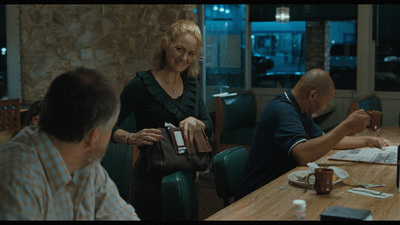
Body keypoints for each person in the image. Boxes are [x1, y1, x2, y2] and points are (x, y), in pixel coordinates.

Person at [0, 67, 140, 220]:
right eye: (110, 129)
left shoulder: (86, 165)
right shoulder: (17, 181)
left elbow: (123, 216)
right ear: (93, 136)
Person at [234, 68, 391, 201]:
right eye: (324, 102)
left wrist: (370, 141)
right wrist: (346, 125)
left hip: (280, 186)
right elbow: (303, 154)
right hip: (258, 194)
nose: (324, 107)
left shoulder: (299, 110)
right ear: (313, 95)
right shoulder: (283, 111)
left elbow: (327, 141)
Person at [111, 20, 213, 220]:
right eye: (179, 49)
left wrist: (196, 122)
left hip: (186, 176)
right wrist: (131, 137)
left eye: (191, 53)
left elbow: (208, 126)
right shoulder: (140, 84)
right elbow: (105, 125)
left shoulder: (192, 85)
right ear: (166, 44)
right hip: (149, 180)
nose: (184, 58)